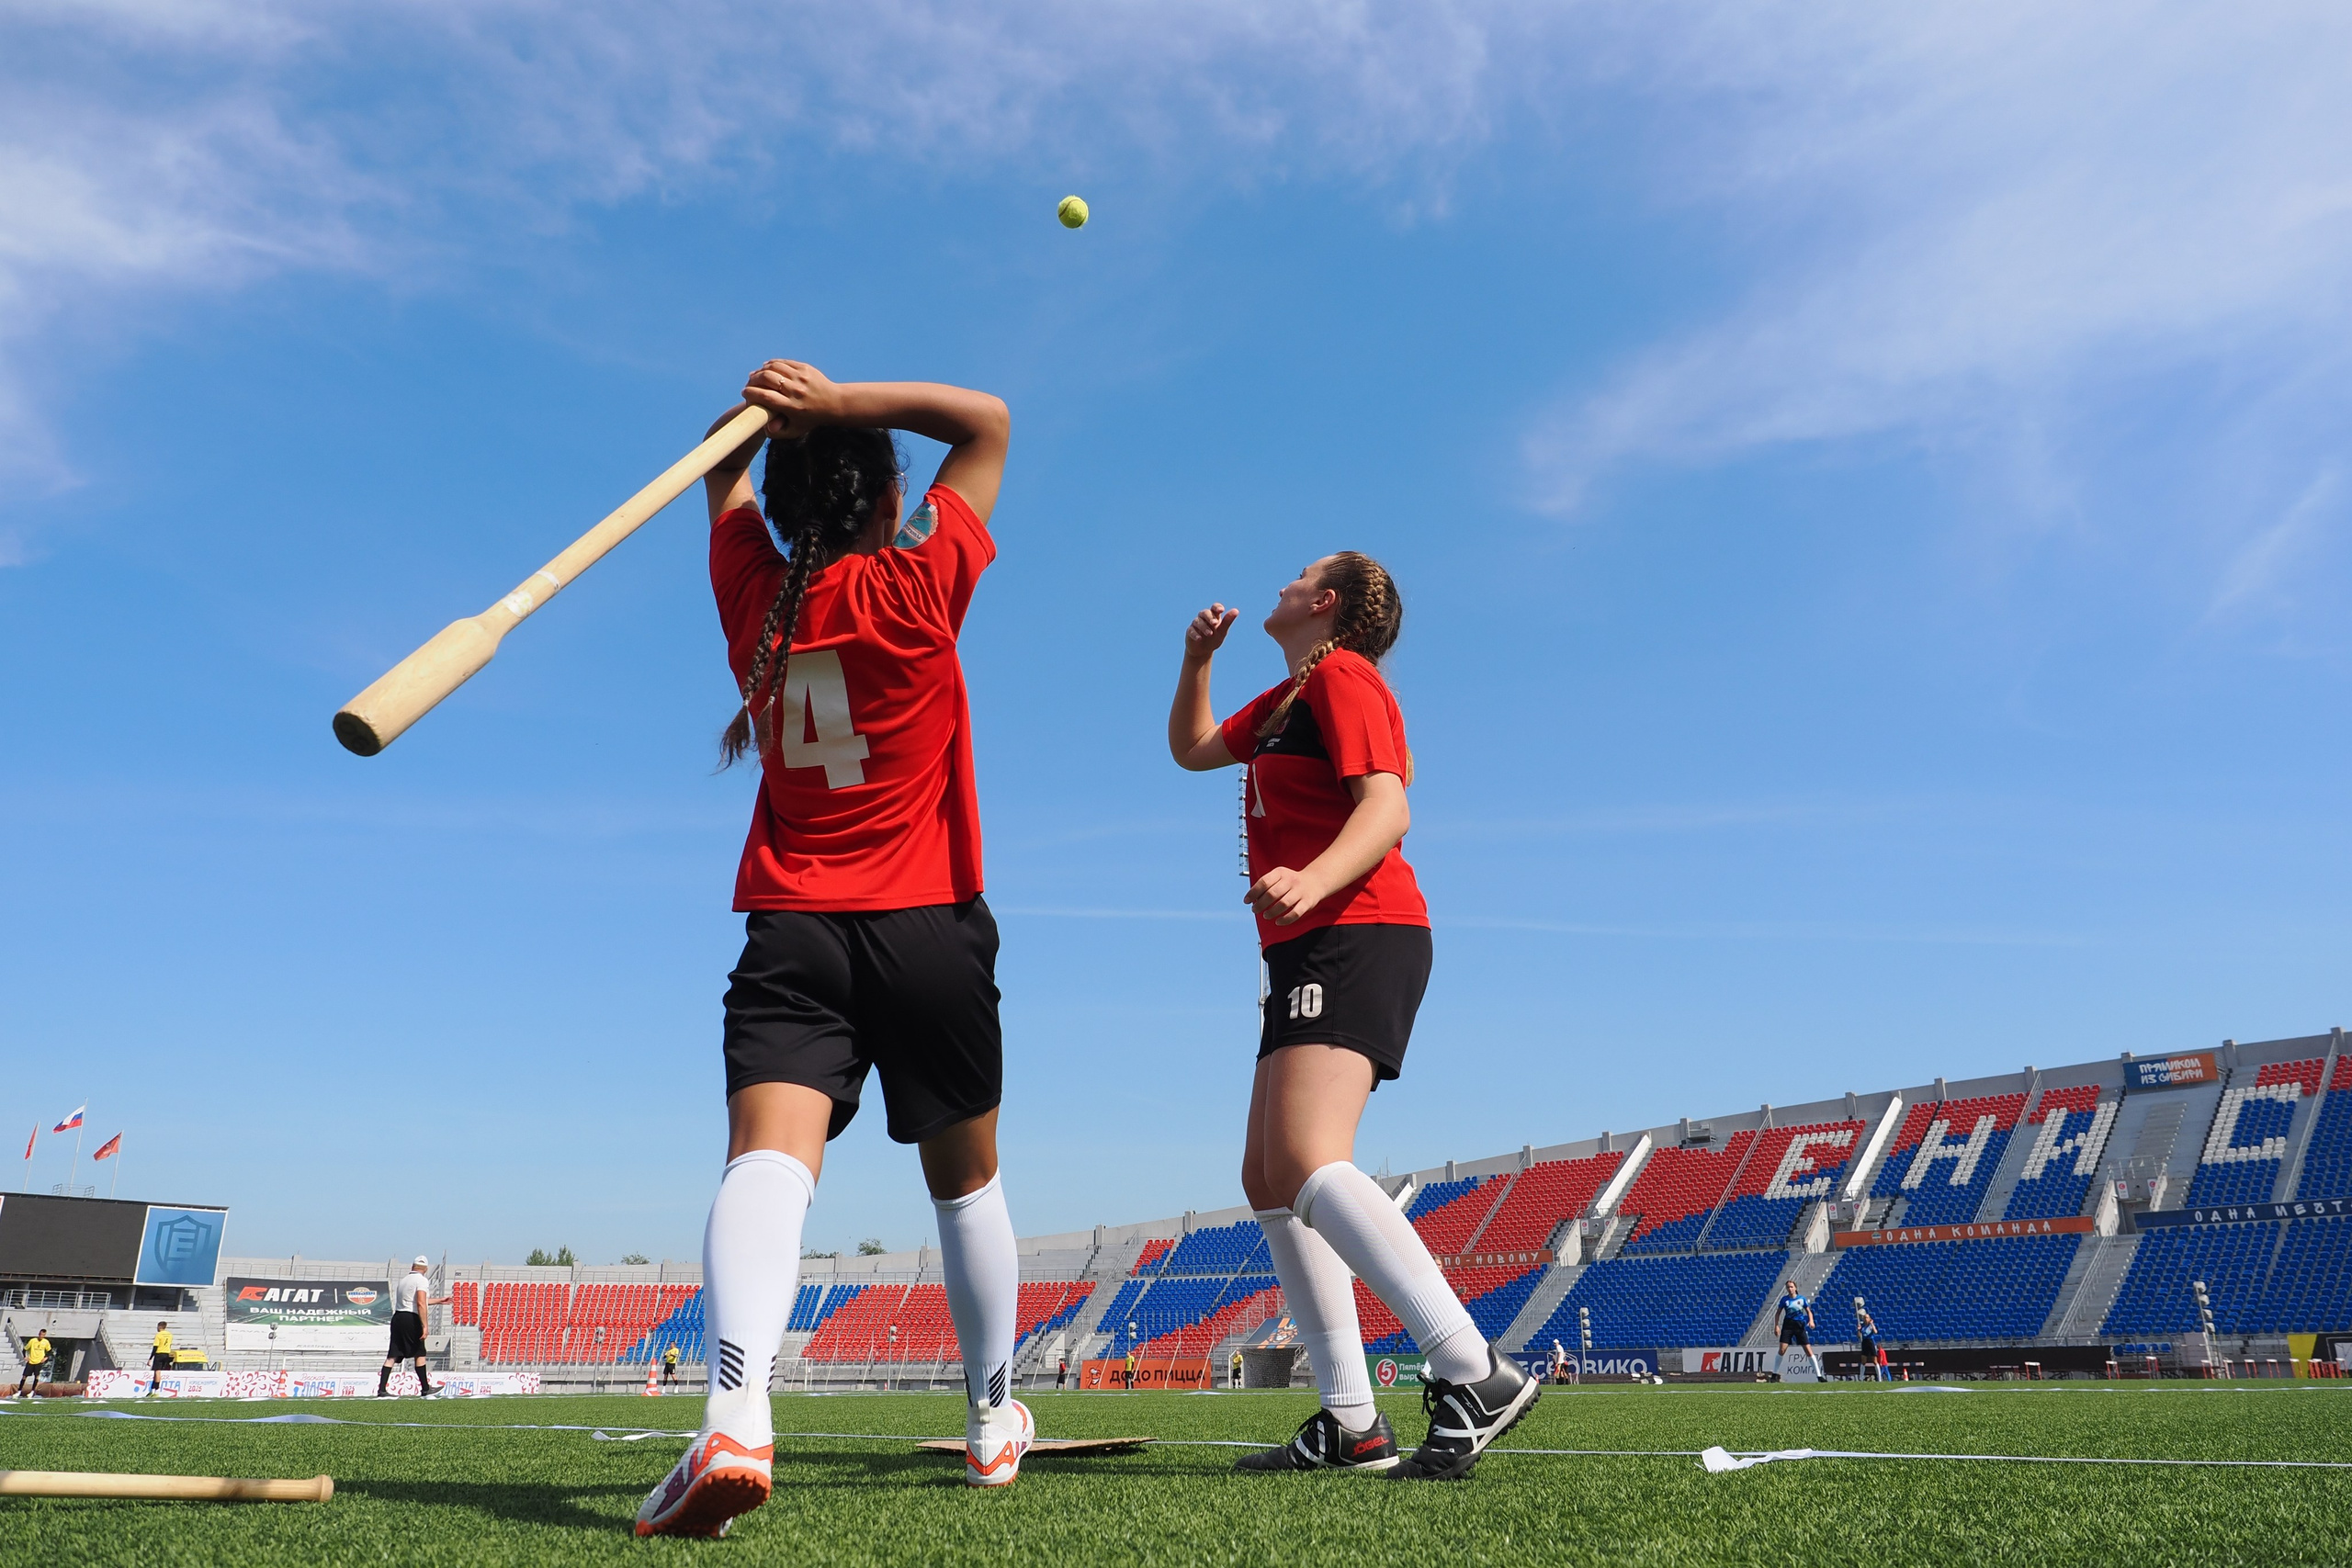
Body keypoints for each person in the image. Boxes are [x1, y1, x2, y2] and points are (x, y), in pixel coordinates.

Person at [638, 362, 1022, 1540]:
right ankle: (992, 1420)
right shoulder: (916, 583)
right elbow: (988, 421)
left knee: (765, 1160)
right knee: (964, 1181)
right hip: (930, 925)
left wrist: (760, 421)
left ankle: (738, 1414)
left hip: (796, 924)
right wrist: (843, 397)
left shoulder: (755, 592)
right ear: (881, 496)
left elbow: (719, 465)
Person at [1172, 558, 1536, 1482]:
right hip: (1308, 943)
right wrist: (1196, 661)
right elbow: (1194, 748)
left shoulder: (1343, 677)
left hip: (1357, 928)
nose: (1279, 586)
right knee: (1265, 1174)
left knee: (1304, 1157)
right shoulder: (1288, 694)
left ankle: (1469, 1366)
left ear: (1326, 603)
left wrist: (1312, 877)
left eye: (1297, 577)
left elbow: (1386, 804)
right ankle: (1351, 1420)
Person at [379, 1257, 449, 1397]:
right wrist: (425, 1326)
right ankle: (425, 1388)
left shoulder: (404, 1281)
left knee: (393, 1354)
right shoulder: (422, 1280)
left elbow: (413, 1300)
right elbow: (420, 1303)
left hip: (398, 1317)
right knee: (420, 1353)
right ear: (426, 1269)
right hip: (411, 1318)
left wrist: (439, 1301)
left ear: (413, 1266)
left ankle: (381, 1390)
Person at [1775, 1280, 1815, 1378]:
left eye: (1791, 1287)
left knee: (1808, 1350)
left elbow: (1808, 1311)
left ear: (1795, 1288)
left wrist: (1811, 1321)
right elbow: (1778, 1313)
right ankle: (1774, 1374)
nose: (1790, 1289)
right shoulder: (1784, 1300)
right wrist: (1776, 1325)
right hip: (1788, 1326)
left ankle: (1819, 1375)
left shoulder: (1801, 1299)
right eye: (1788, 1287)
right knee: (1782, 1349)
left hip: (1799, 1326)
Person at [1855, 1305, 1887, 1382]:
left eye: (1867, 1317)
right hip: (1865, 1342)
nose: (1866, 1319)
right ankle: (1861, 1377)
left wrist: (1872, 1324)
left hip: (1871, 1342)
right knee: (1863, 1361)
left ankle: (1879, 1378)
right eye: (1865, 1317)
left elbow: (1875, 1332)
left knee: (1874, 1361)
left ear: (1869, 1319)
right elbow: (1859, 1336)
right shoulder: (1862, 1327)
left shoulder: (1871, 1326)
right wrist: (1858, 1330)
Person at [17, 1328, 51, 1396]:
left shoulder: (46, 1342)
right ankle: (19, 1391)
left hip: (39, 1362)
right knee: (24, 1376)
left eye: (43, 1335)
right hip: (31, 1361)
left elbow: (49, 1351)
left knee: (37, 1376)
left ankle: (32, 1391)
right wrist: (25, 1357)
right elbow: (25, 1349)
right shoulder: (33, 1341)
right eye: (41, 1334)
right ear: (39, 1334)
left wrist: (46, 1358)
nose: (41, 1336)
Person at [147, 1320, 174, 1395]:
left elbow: (155, 1347)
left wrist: (150, 1358)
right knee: (156, 1372)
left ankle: (157, 1390)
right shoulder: (170, 1334)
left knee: (157, 1372)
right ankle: (152, 1389)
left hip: (159, 1353)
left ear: (159, 1327)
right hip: (166, 1354)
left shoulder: (159, 1335)